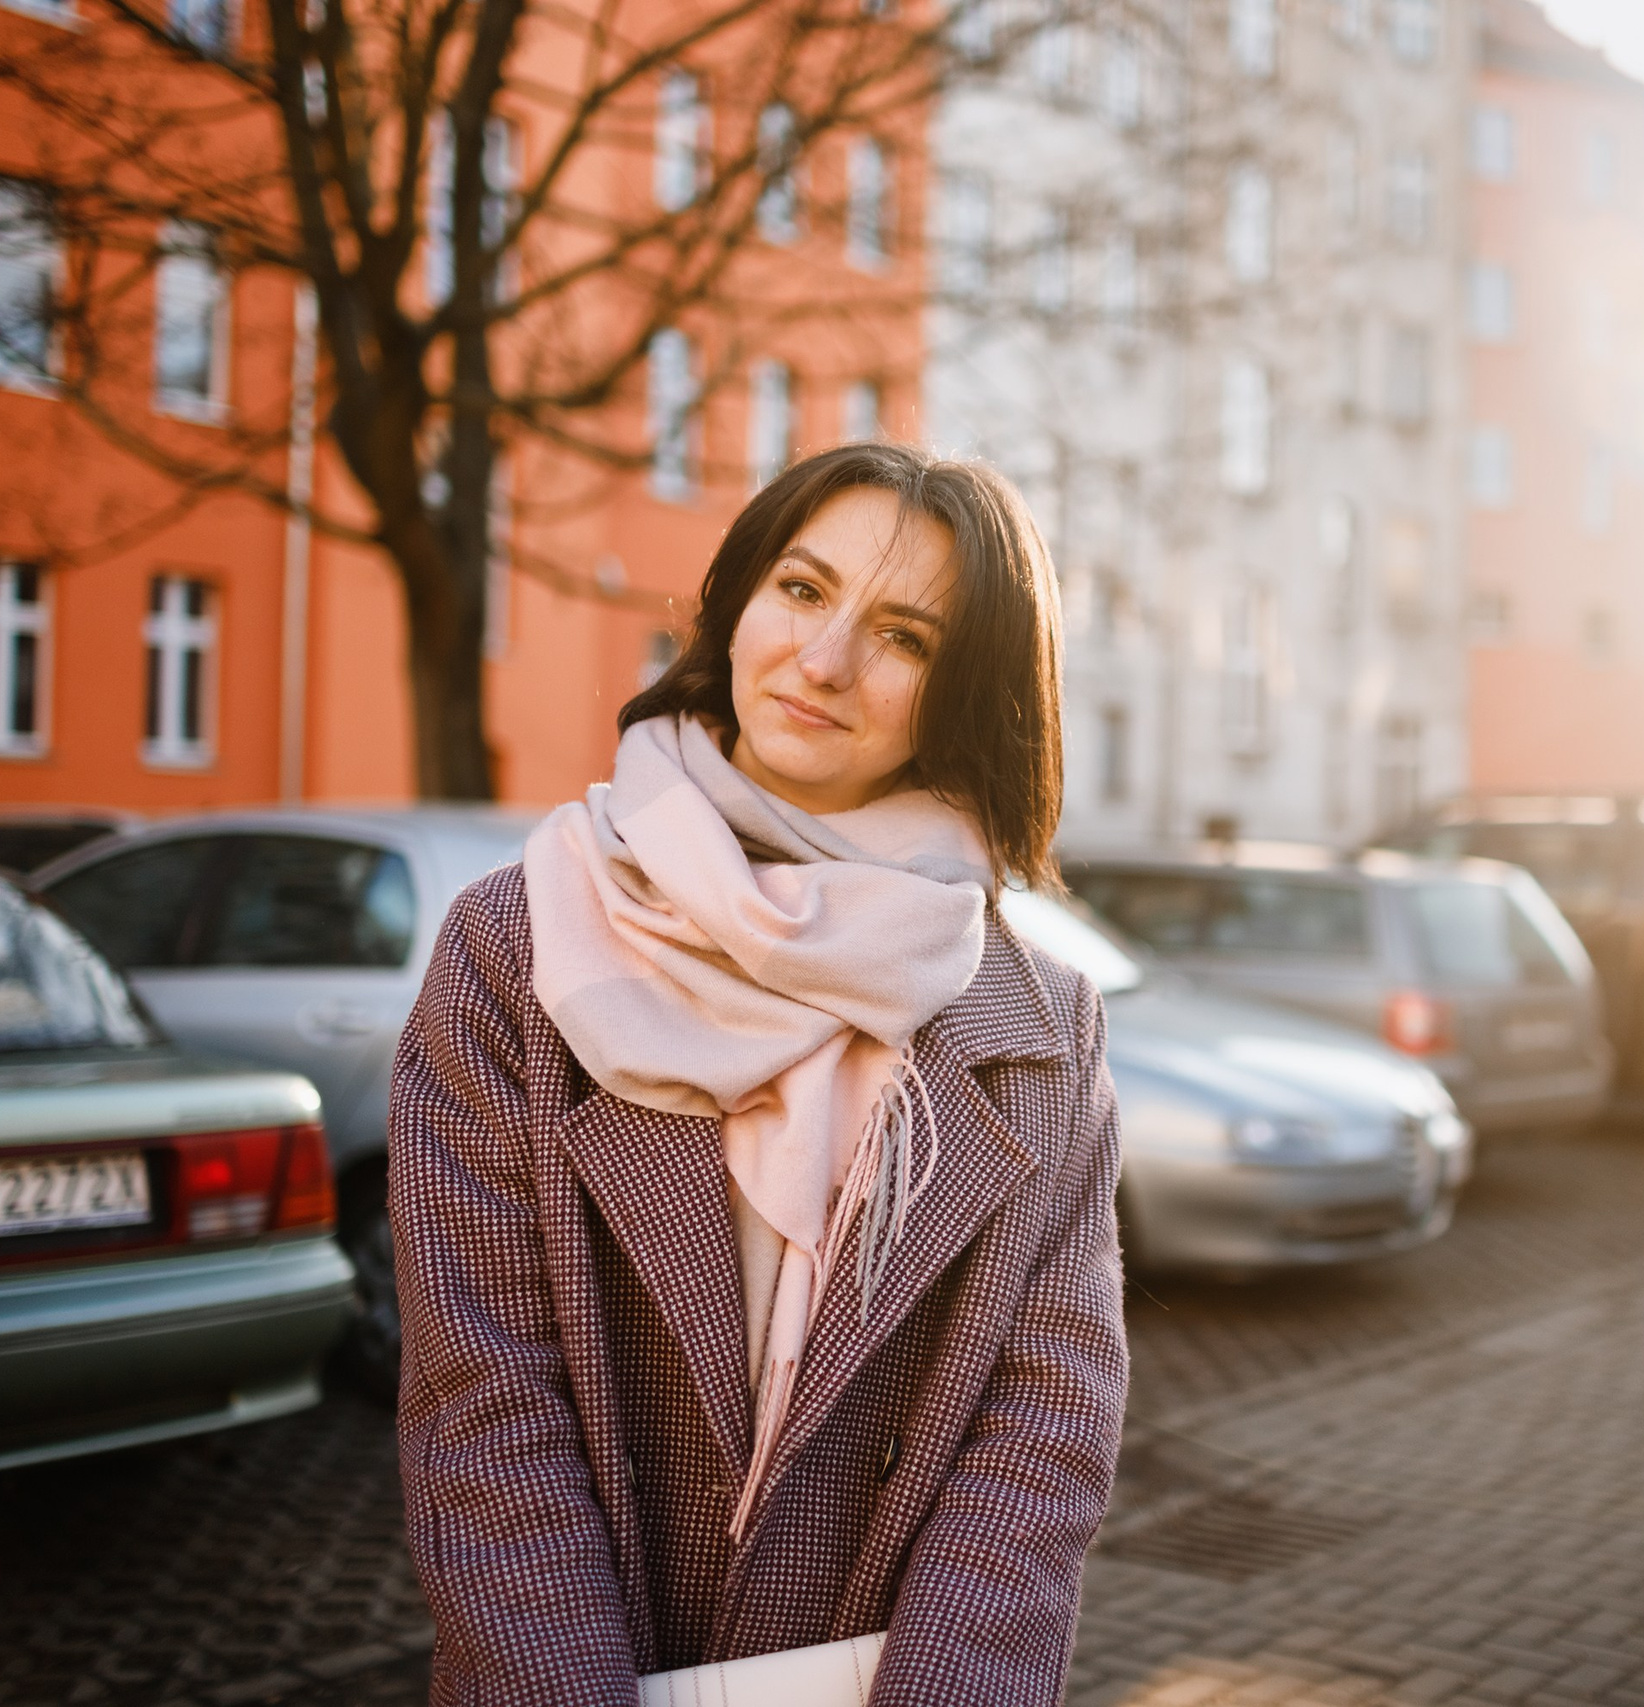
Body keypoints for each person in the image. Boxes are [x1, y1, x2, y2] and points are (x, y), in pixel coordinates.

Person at [390, 441, 1129, 1706]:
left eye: (904, 636)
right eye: (801, 589)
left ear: (969, 693)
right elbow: (484, 1408)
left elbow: (1042, 1434)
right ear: (735, 599)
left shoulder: (1041, 1024)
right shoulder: (512, 949)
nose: (825, 659)